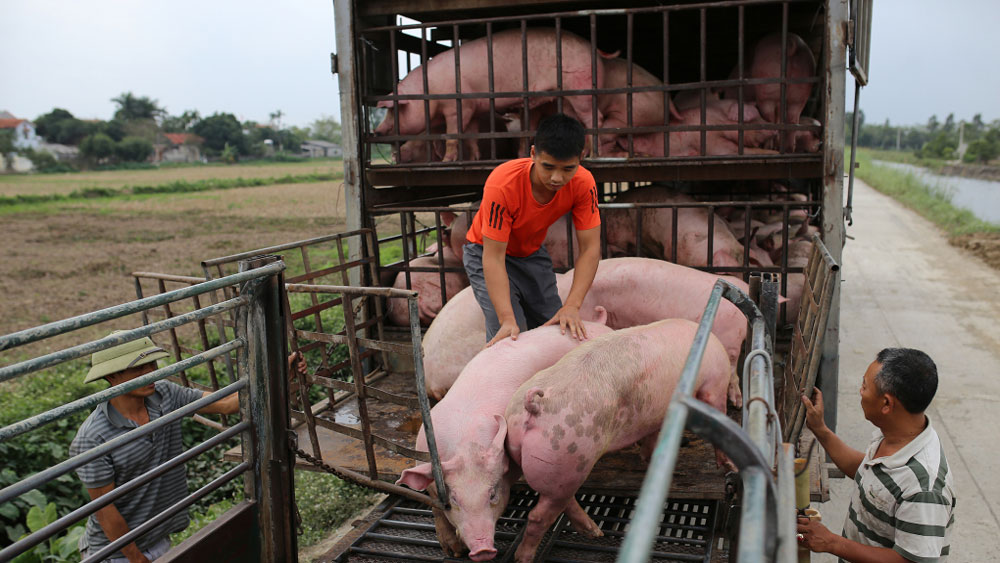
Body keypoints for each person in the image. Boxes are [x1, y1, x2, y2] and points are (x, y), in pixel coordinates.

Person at [70, 333, 306, 563]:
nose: (150, 372)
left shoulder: (165, 394)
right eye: (138, 369)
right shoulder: (93, 437)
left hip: (158, 540)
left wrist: (280, 374)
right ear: (112, 377)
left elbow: (225, 404)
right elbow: (105, 511)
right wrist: (136, 559)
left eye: (151, 364)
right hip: (116, 554)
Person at [797, 348, 955, 563]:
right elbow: (868, 476)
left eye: (865, 386)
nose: (860, 391)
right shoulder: (897, 435)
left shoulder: (923, 487)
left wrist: (832, 543)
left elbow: (913, 561)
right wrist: (821, 430)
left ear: (887, 404)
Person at [463, 113, 602, 347]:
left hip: (531, 253)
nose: (557, 178)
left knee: (556, 324)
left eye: (568, 169)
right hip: (485, 252)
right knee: (509, 336)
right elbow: (494, 257)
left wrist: (572, 306)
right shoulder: (503, 183)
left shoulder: (584, 183)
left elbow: (590, 248)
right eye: (547, 167)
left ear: (582, 157)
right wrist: (507, 318)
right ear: (532, 154)